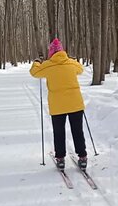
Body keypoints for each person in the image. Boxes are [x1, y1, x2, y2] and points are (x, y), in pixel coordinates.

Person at [30, 38, 87, 170]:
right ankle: (83, 157)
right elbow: (81, 69)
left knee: (59, 132)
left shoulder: (48, 65)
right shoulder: (72, 64)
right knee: (78, 131)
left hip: (57, 106)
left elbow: (34, 73)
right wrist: (73, 60)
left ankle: (60, 159)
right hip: (76, 104)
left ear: (51, 52)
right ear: (62, 51)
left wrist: (37, 62)